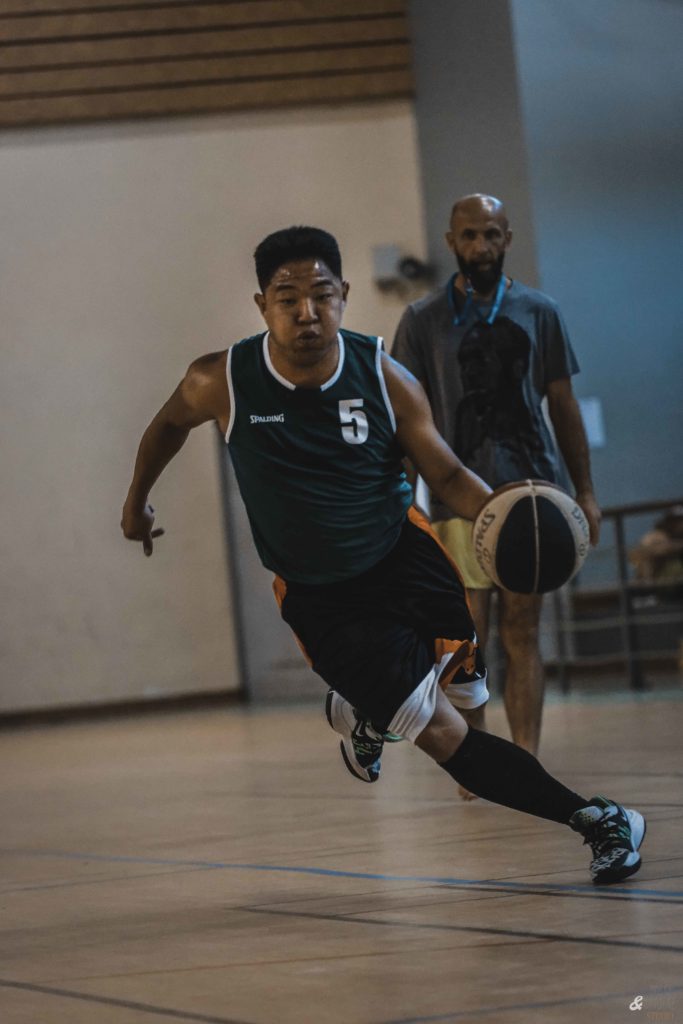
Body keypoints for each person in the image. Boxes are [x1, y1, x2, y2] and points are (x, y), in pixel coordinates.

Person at [121, 225, 644, 885]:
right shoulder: (219, 380)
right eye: (287, 298)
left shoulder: (383, 376)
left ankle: (364, 713)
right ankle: (601, 820)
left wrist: (507, 518)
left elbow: (446, 474)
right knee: (446, 737)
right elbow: (167, 425)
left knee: (470, 688)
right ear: (261, 306)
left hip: (406, 556)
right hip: (324, 599)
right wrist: (137, 503)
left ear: (343, 294)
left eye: (321, 295)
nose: (306, 312)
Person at [390, 193, 602, 765]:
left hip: (533, 499)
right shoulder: (421, 320)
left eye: (491, 234)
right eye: (469, 235)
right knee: (467, 639)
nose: (480, 246)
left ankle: (525, 757)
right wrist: (402, 507)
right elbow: (406, 420)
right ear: (451, 242)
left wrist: (585, 492)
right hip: (455, 502)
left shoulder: (540, 311)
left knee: (523, 629)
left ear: (507, 238)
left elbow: (564, 405)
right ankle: (480, 761)